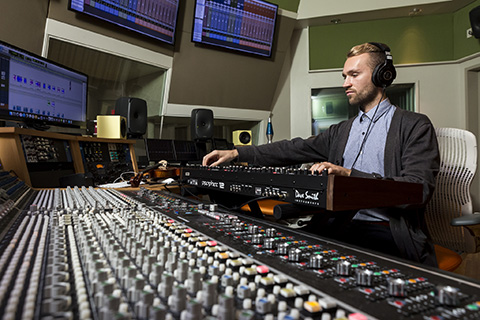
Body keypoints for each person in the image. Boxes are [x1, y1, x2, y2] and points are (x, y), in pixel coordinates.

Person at [202, 42, 440, 267]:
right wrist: (236, 152)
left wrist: (348, 176)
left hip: (386, 229)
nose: (346, 83)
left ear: (382, 75)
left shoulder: (414, 125)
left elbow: (418, 189)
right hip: (337, 224)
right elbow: (292, 148)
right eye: (344, 76)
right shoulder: (341, 131)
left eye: (354, 75)